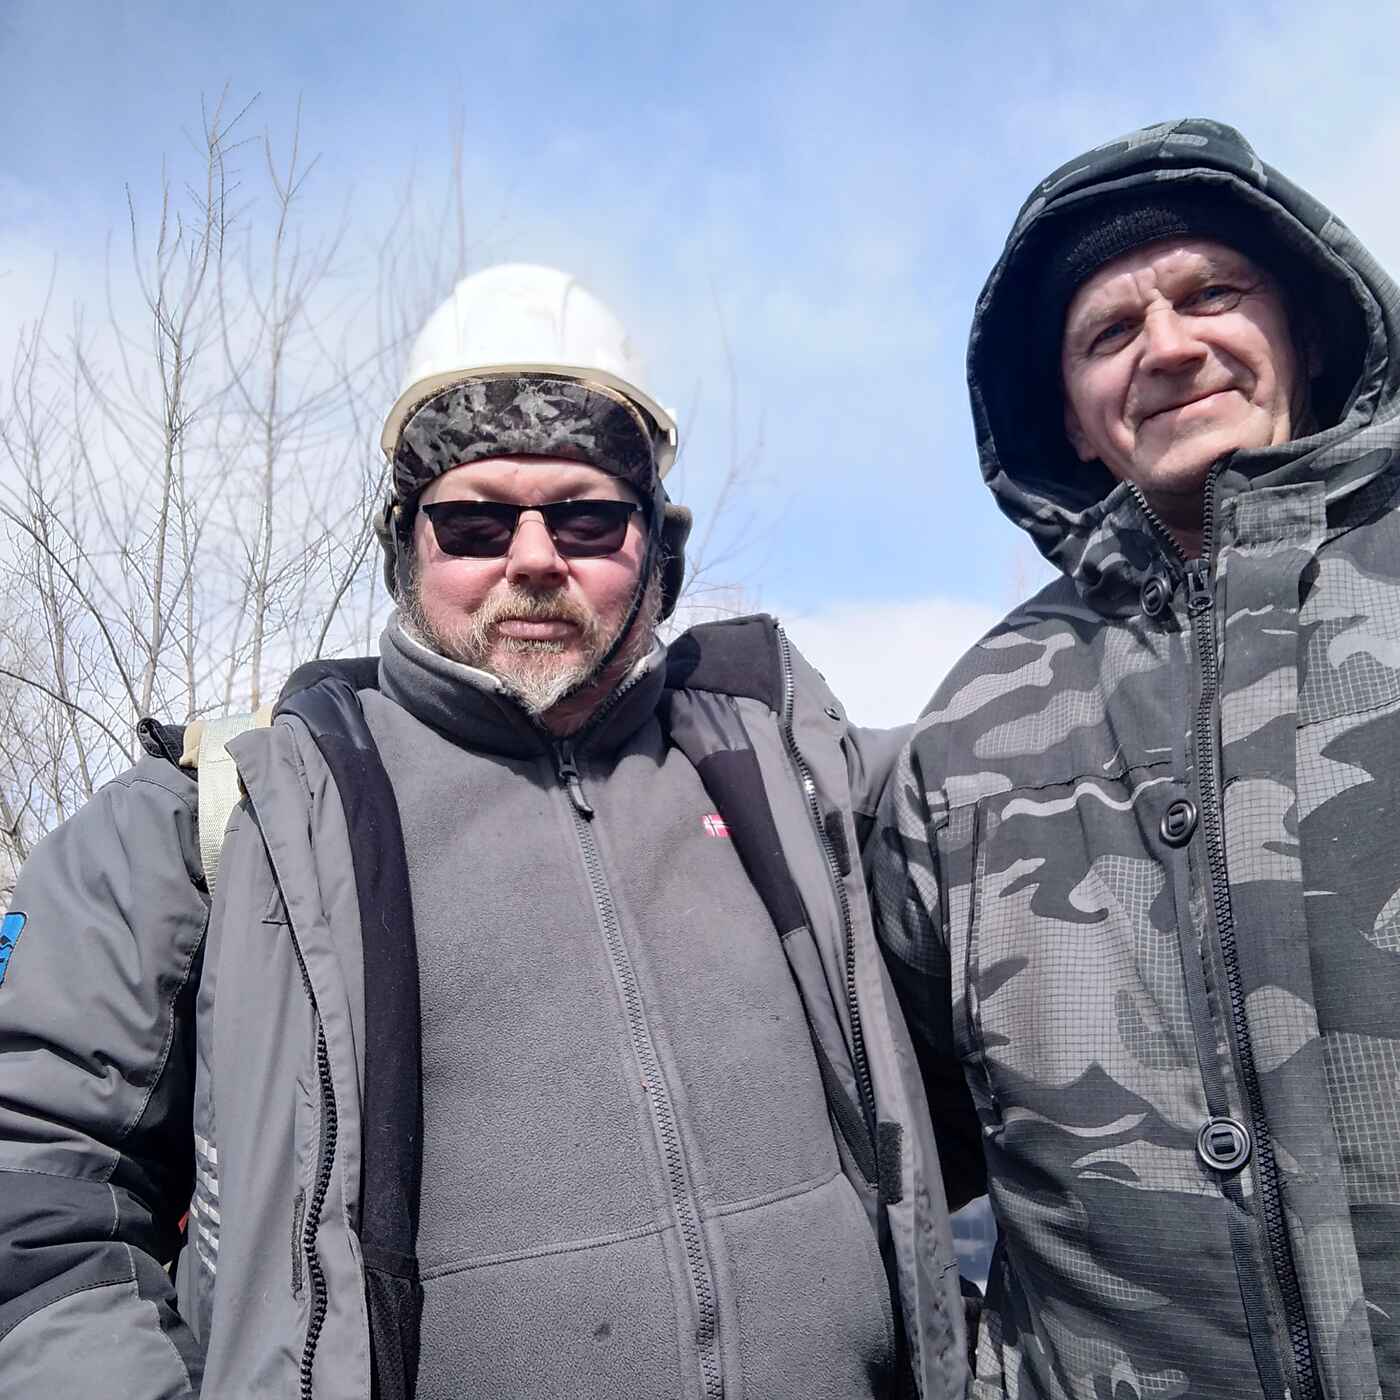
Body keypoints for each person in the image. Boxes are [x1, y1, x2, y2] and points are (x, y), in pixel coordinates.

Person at [0, 263, 967, 1400]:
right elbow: (40, 1211)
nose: (533, 557)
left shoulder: (791, 769)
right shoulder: (218, 823)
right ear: (404, 548)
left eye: (587, 516)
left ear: (658, 551)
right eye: (473, 521)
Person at [871, 118, 1400, 1398]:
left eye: (1211, 293)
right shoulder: (968, 729)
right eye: (1108, 332)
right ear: (1067, 414)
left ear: (1300, 329)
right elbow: (907, 1152)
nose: (1166, 346)